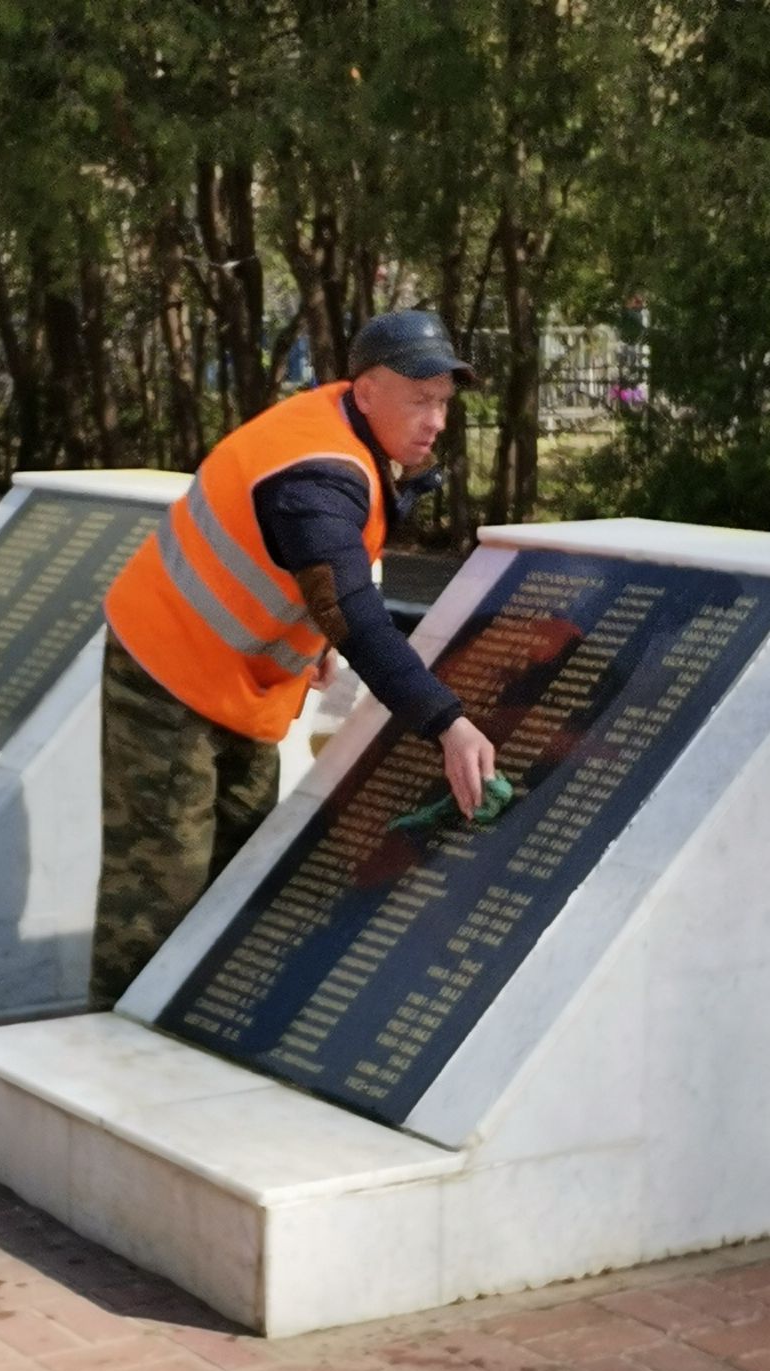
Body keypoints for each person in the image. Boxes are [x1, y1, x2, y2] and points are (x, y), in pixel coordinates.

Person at [89, 308, 498, 1010]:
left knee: (237, 868)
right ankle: (106, 1054)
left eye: (443, 403)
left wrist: (302, 641)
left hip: (240, 682)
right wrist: (446, 723)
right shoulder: (319, 474)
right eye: (419, 399)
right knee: (160, 885)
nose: (435, 420)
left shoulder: (347, 436)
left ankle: (192, 1031)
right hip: (164, 669)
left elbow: (311, 583)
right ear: (366, 391)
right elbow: (355, 613)